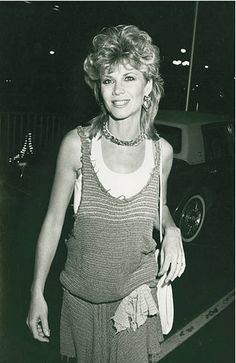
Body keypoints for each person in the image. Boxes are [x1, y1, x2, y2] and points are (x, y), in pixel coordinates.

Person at [26, 25, 186, 363]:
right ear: (98, 88)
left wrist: (171, 229)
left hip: (134, 299)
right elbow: (54, 222)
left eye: (129, 78)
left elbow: (158, 207)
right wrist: (36, 292)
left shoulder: (163, 153)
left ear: (148, 88)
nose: (117, 90)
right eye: (108, 79)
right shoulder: (77, 145)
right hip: (81, 301)